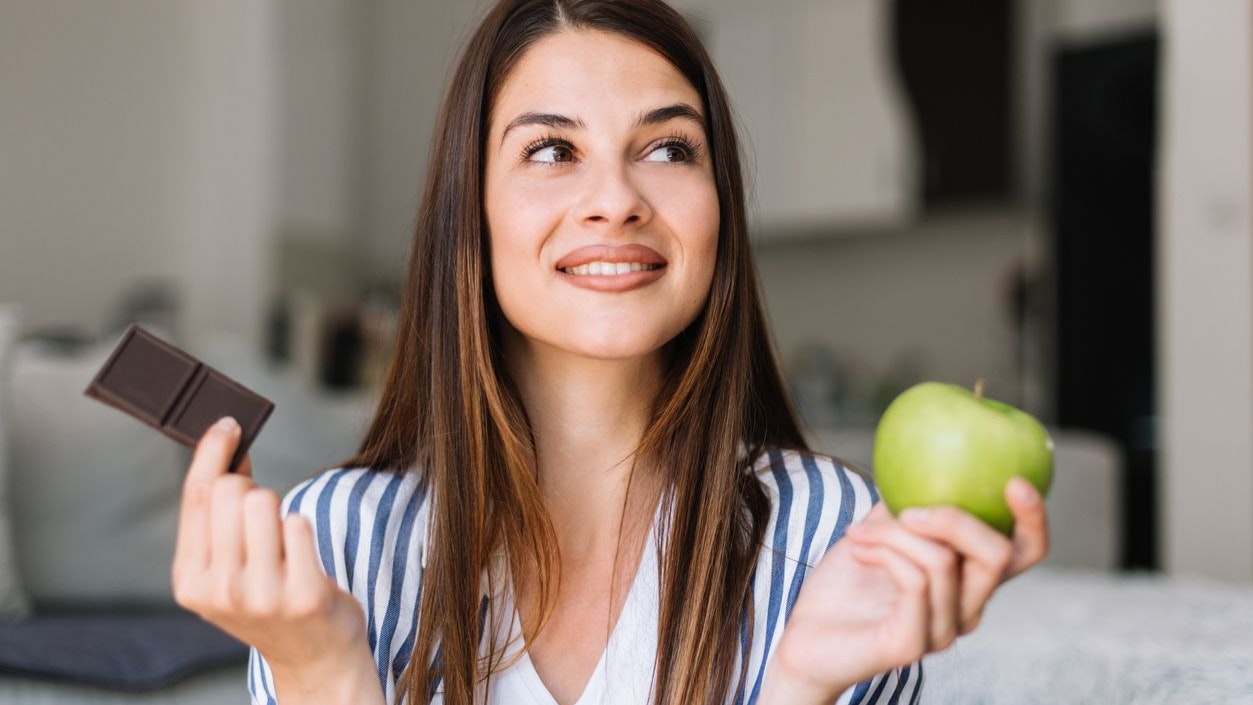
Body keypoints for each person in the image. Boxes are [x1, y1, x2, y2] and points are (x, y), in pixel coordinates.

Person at [170, 1, 1050, 703]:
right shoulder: (340, 541)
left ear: (720, 209)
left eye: (668, 147)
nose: (616, 198)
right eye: (552, 150)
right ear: (468, 213)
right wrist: (323, 676)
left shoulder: (835, 538)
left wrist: (803, 685)